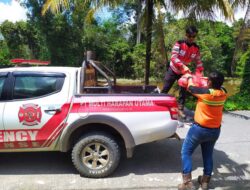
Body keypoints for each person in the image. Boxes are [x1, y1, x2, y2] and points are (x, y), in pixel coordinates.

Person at [178, 71, 227, 190]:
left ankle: (187, 183)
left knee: (186, 152)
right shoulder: (224, 92)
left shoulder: (206, 93)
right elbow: (218, 85)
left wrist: (190, 77)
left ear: (210, 82)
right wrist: (207, 78)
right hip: (215, 131)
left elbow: (190, 88)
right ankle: (205, 182)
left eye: (208, 80)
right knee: (208, 155)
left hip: (199, 130)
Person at [162, 26, 204, 120]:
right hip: (173, 69)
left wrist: (200, 71)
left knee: (183, 91)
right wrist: (182, 66)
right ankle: (160, 107)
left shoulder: (196, 48)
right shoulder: (179, 43)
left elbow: (198, 61)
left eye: (194, 36)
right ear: (186, 35)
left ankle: (180, 109)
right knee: (165, 88)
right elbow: (173, 57)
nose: (191, 38)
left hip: (184, 72)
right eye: (189, 36)